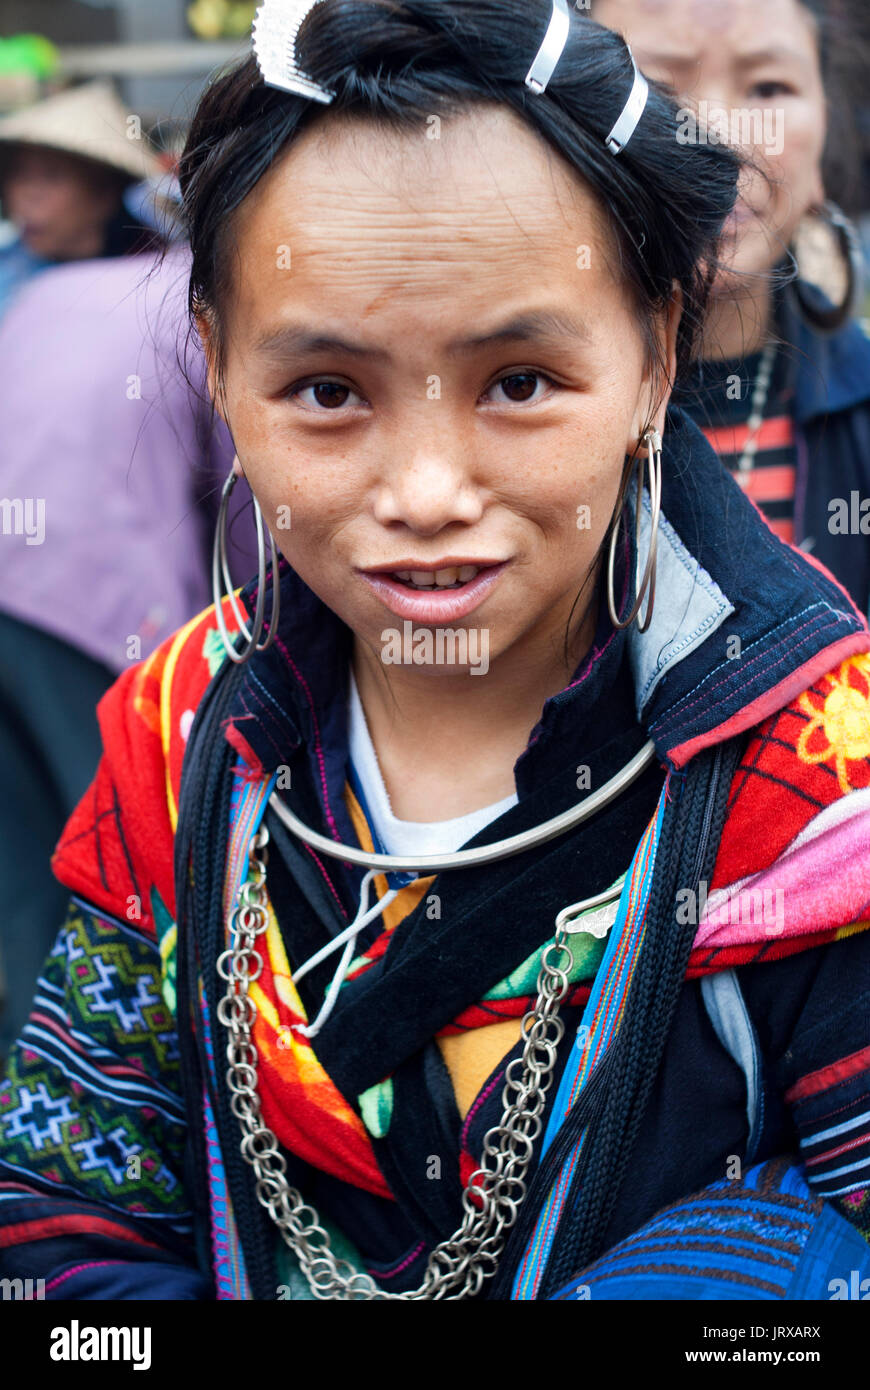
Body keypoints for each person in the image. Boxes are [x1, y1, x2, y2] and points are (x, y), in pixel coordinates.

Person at [0, 0, 868, 1302]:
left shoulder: (819, 792)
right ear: (217, 370)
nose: (422, 489)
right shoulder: (173, 732)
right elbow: (65, 1207)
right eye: (328, 392)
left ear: (653, 360)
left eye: (518, 379)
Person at [0, 246, 256, 1061]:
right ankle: (150, 1081)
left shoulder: (46, 290)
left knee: (25, 869)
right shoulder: (206, 302)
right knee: (132, 869)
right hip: (89, 603)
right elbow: (250, 492)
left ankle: (35, 1094)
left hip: (17, 583)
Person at [594, 0, 870, 615]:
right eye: (658, 86)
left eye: (769, 86)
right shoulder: (518, 404)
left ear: (825, 143)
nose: (716, 136)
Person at [0, 80, 164, 319]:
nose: (27, 194)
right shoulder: (10, 267)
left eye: (51, 176)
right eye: (18, 174)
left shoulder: (155, 280)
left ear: (105, 192)